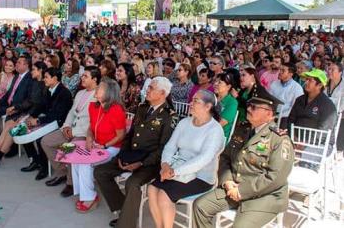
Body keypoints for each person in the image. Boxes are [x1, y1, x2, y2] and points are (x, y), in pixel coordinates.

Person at [193, 89, 294, 228]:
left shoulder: (279, 139)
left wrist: (241, 191)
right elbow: (225, 158)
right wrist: (227, 181)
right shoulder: (242, 129)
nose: (248, 109)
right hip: (233, 187)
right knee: (200, 206)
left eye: (254, 107)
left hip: (264, 196)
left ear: (269, 114)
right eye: (249, 105)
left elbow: (276, 177)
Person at [94, 76, 176, 228]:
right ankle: (124, 209)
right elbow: (130, 135)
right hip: (131, 156)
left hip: (151, 162)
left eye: (151, 88)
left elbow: (164, 148)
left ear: (162, 93)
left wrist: (141, 163)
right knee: (100, 172)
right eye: (148, 87)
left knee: (132, 183)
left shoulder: (169, 116)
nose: (147, 90)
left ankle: (126, 223)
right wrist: (122, 156)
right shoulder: (142, 108)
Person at [148, 89, 225, 228]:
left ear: (208, 107)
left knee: (164, 196)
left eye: (195, 101)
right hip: (175, 168)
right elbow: (170, 146)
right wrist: (165, 164)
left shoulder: (215, 130)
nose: (190, 103)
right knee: (152, 190)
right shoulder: (185, 122)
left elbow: (203, 159)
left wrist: (173, 172)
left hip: (201, 176)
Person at [41, 66, 100, 198]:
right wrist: (66, 126)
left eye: (86, 76)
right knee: (46, 142)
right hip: (70, 129)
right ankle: (62, 172)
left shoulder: (98, 96)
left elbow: (93, 122)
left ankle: (71, 182)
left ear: (95, 79)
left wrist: (74, 131)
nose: (82, 78)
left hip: (84, 134)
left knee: (69, 149)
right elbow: (72, 113)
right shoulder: (80, 93)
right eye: (82, 75)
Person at [72, 78, 126, 213]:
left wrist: (105, 146)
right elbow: (91, 127)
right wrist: (89, 137)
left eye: (100, 88)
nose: (96, 89)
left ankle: (90, 197)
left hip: (112, 148)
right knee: (75, 160)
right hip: (96, 144)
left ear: (109, 92)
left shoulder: (116, 109)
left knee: (85, 163)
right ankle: (83, 192)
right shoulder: (94, 106)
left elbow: (121, 135)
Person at [20, 67, 73, 180]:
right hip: (49, 121)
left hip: (59, 124)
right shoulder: (49, 89)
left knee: (40, 139)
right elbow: (41, 106)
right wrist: (32, 116)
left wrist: (38, 121)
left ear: (54, 78)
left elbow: (57, 115)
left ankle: (43, 168)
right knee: (24, 129)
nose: (44, 79)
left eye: (46, 77)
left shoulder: (64, 93)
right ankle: (35, 160)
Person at [0, 56, 33, 147]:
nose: (16, 64)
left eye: (19, 62)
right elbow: (8, 93)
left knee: (10, 120)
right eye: (17, 62)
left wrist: (15, 107)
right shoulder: (17, 76)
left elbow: (28, 100)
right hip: (8, 103)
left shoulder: (29, 78)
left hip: (18, 107)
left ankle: (9, 147)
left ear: (26, 65)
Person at [288, 69, 337, 150]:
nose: (306, 82)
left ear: (320, 85)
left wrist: (306, 144)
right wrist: (294, 138)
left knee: (304, 158)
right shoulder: (299, 100)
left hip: (320, 144)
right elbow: (291, 120)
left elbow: (324, 131)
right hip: (296, 140)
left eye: (310, 80)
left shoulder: (328, 105)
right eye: (306, 79)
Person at [269, 62, 304, 129]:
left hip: (285, 117)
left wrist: (280, 116)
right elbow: (269, 100)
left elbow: (295, 108)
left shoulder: (297, 88)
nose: (280, 72)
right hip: (272, 114)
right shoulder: (274, 84)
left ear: (290, 74)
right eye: (280, 70)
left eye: (283, 70)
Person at [214, 72, 239, 142]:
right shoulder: (212, 98)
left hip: (218, 137)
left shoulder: (232, 102)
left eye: (219, 82)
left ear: (228, 87)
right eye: (215, 81)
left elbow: (221, 123)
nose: (215, 84)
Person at [326, 61, 344, 152]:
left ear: (340, 72)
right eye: (329, 69)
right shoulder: (325, 83)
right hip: (323, 113)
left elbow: (341, 107)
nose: (330, 71)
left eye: (333, 69)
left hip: (338, 114)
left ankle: (338, 149)